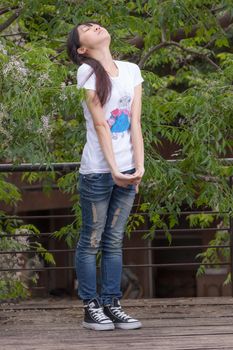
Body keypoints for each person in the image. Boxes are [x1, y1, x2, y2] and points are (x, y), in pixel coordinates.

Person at [67, 21, 144, 331]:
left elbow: (135, 123)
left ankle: (112, 303)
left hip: (128, 170)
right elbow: (101, 125)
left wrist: (139, 166)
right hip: (99, 171)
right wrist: (113, 170)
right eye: (86, 28)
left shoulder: (131, 70)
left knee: (114, 241)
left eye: (95, 23)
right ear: (82, 48)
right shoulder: (86, 72)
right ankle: (91, 307)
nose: (95, 26)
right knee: (92, 239)